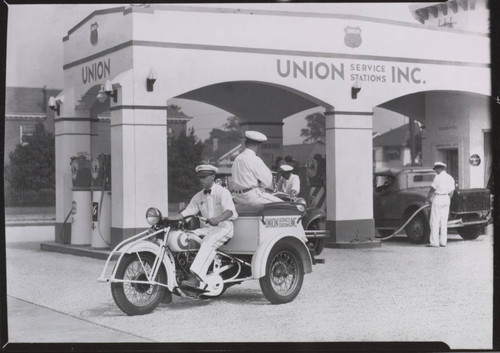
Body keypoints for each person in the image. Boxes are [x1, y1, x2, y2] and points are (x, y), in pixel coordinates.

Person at [167, 164, 237, 289]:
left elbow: (230, 211)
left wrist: (217, 219)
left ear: (213, 176)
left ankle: (196, 278)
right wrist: (171, 218)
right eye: (199, 177)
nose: (201, 180)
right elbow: (187, 211)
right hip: (207, 229)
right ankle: (184, 271)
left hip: (224, 227)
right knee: (187, 237)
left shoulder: (223, 192)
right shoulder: (198, 196)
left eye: (204, 177)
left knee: (207, 242)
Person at [231, 130, 282, 205]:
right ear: (259, 146)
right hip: (251, 196)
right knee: (284, 205)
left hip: (237, 197)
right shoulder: (254, 159)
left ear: (245, 144)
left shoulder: (237, 158)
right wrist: (260, 186)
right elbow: (268, 181)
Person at [425, 162, 455, 247]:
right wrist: (447, 199)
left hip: (438, 198)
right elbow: (452, 192)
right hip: (447, 198)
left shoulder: (438, 177)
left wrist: (427, 200)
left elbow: (432, 190)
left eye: (436, 170)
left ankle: (434, 242)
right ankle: (443, 242)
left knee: (434, 221)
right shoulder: (450, 177)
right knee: (444, 222)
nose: (435, 172)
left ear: (439, 168)